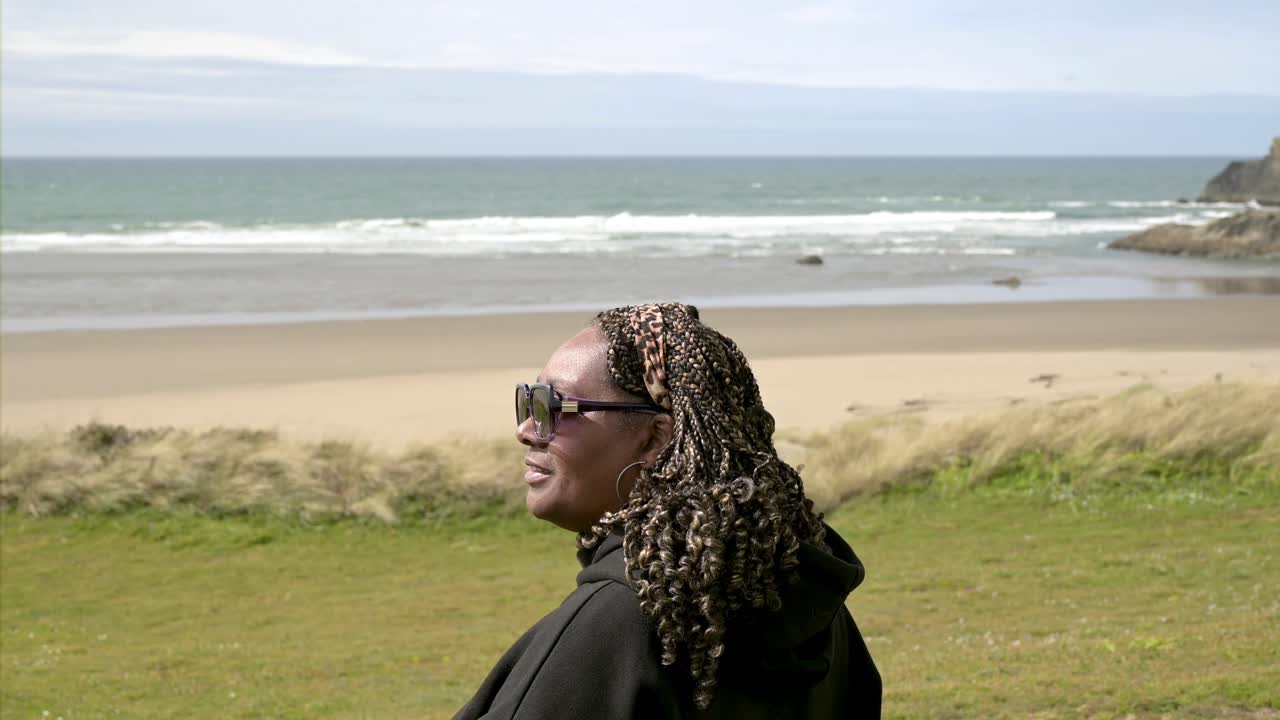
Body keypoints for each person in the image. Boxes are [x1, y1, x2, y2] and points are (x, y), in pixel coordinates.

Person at [453, 302, 880, 719]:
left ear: (656, 437)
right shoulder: (811, 603)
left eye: (551, 406)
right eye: (527, 401)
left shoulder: (618, 624)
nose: (525, 430)